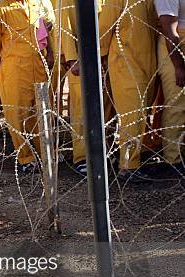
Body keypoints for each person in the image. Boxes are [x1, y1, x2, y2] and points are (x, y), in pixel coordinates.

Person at [0, 0, 55, 173]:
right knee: (17, 113)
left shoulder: (34, 5)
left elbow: (43, 33)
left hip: (38, 63)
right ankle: (25, 157)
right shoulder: (0, 11)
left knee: (40, 110)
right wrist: (1, 65)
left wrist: (49, 51)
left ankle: (43, 152)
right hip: (13, 68)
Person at [101, 0, 157, 182]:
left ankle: (132, 158)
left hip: (147, 62)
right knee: (131, 114)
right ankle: (128, 166)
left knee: (140, 113)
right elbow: (103, 28)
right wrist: (100, 56)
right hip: (125, 62)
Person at [61, 0, 114, 176]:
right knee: (82, 109)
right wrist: (71, 58)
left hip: (101, 57)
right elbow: (65, 25)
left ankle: (102, 151)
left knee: (103, 105)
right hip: (81, 58)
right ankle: (82, 157)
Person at [155, 0, 185, 176]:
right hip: (175, 46)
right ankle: (173, 160)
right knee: (177, 104)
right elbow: (169, 29)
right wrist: (179, 65)